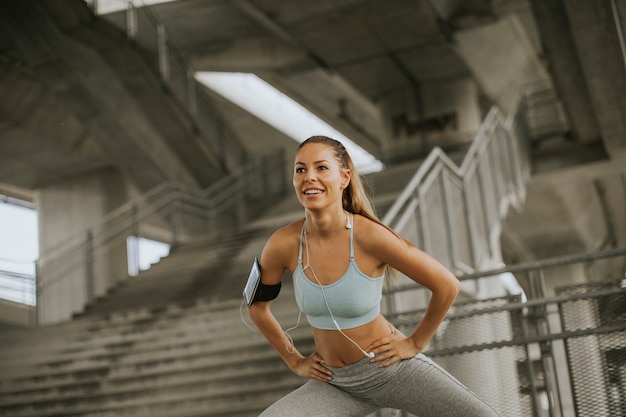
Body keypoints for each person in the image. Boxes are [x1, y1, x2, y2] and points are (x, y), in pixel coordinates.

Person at [248, 135, 500, 416]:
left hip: (389, 370)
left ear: (344, 178)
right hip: (334, 383)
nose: (309, 177)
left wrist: (415, 343)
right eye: (300, 169)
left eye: (321, 168)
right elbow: (257, 308)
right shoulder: (282, 243)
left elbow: (446, 285)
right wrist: (294, 360)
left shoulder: (370, 236)